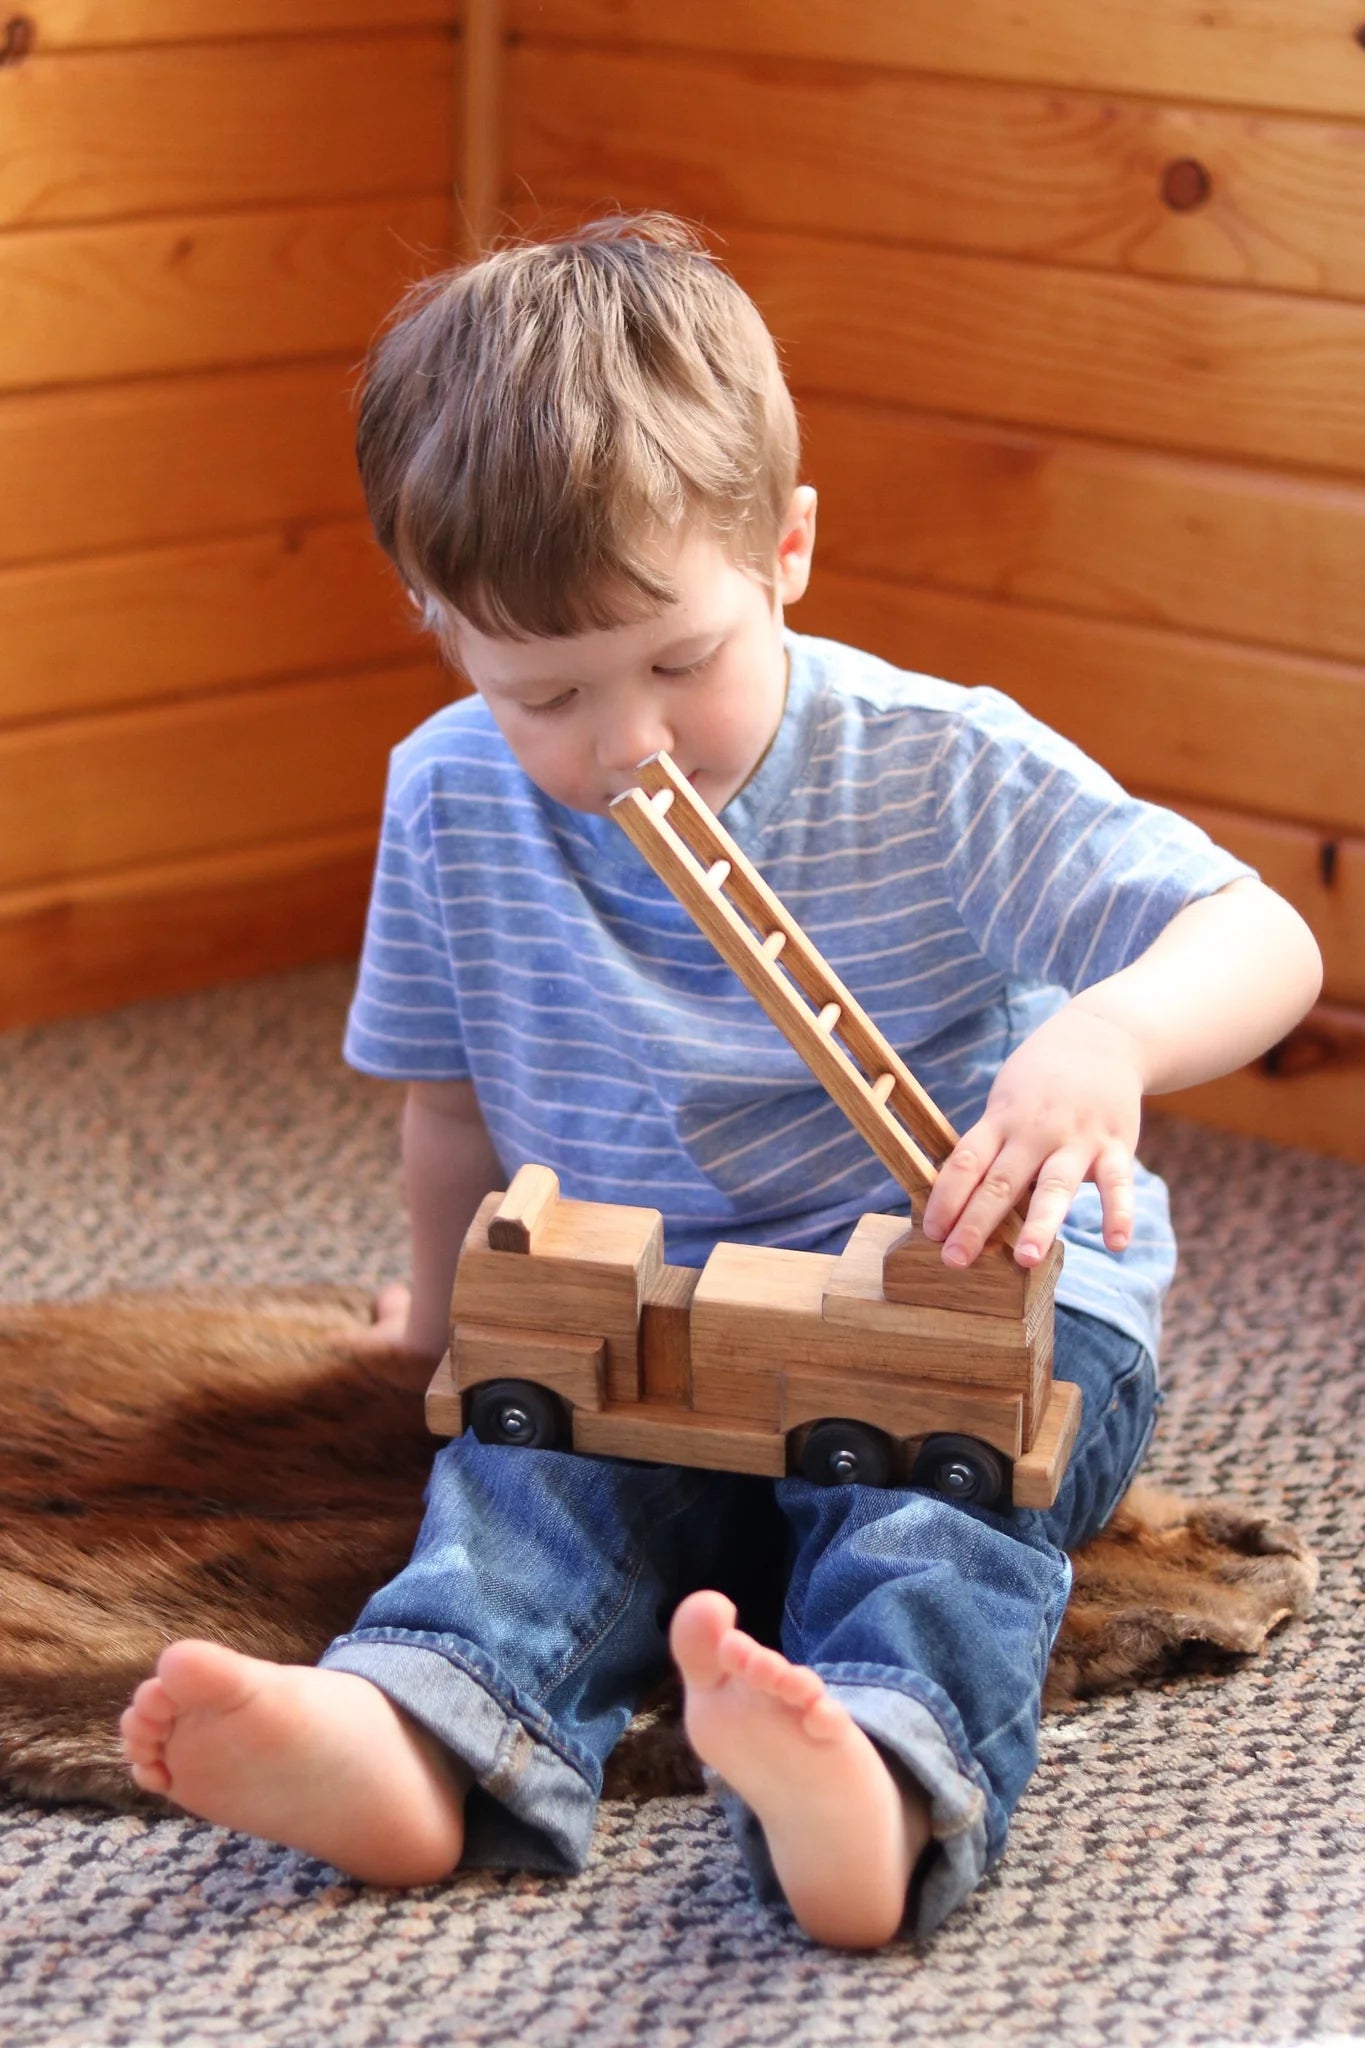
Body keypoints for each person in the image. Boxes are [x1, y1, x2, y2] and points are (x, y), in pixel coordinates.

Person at [121, 214, 1323, 1949]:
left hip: (964, 1293)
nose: (625, 743)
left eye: (679, 662)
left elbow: (1258, 933)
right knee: (524, 1485)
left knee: (937, 1508)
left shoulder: (938, 764)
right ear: (435, 624)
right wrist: (435, 1332)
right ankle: (417, 1728)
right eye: (546, 690)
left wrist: (1105, 1037)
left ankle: (875, 1780)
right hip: (651, 1310)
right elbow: (448, 1102)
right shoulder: (448, 795)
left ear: (786, 550)